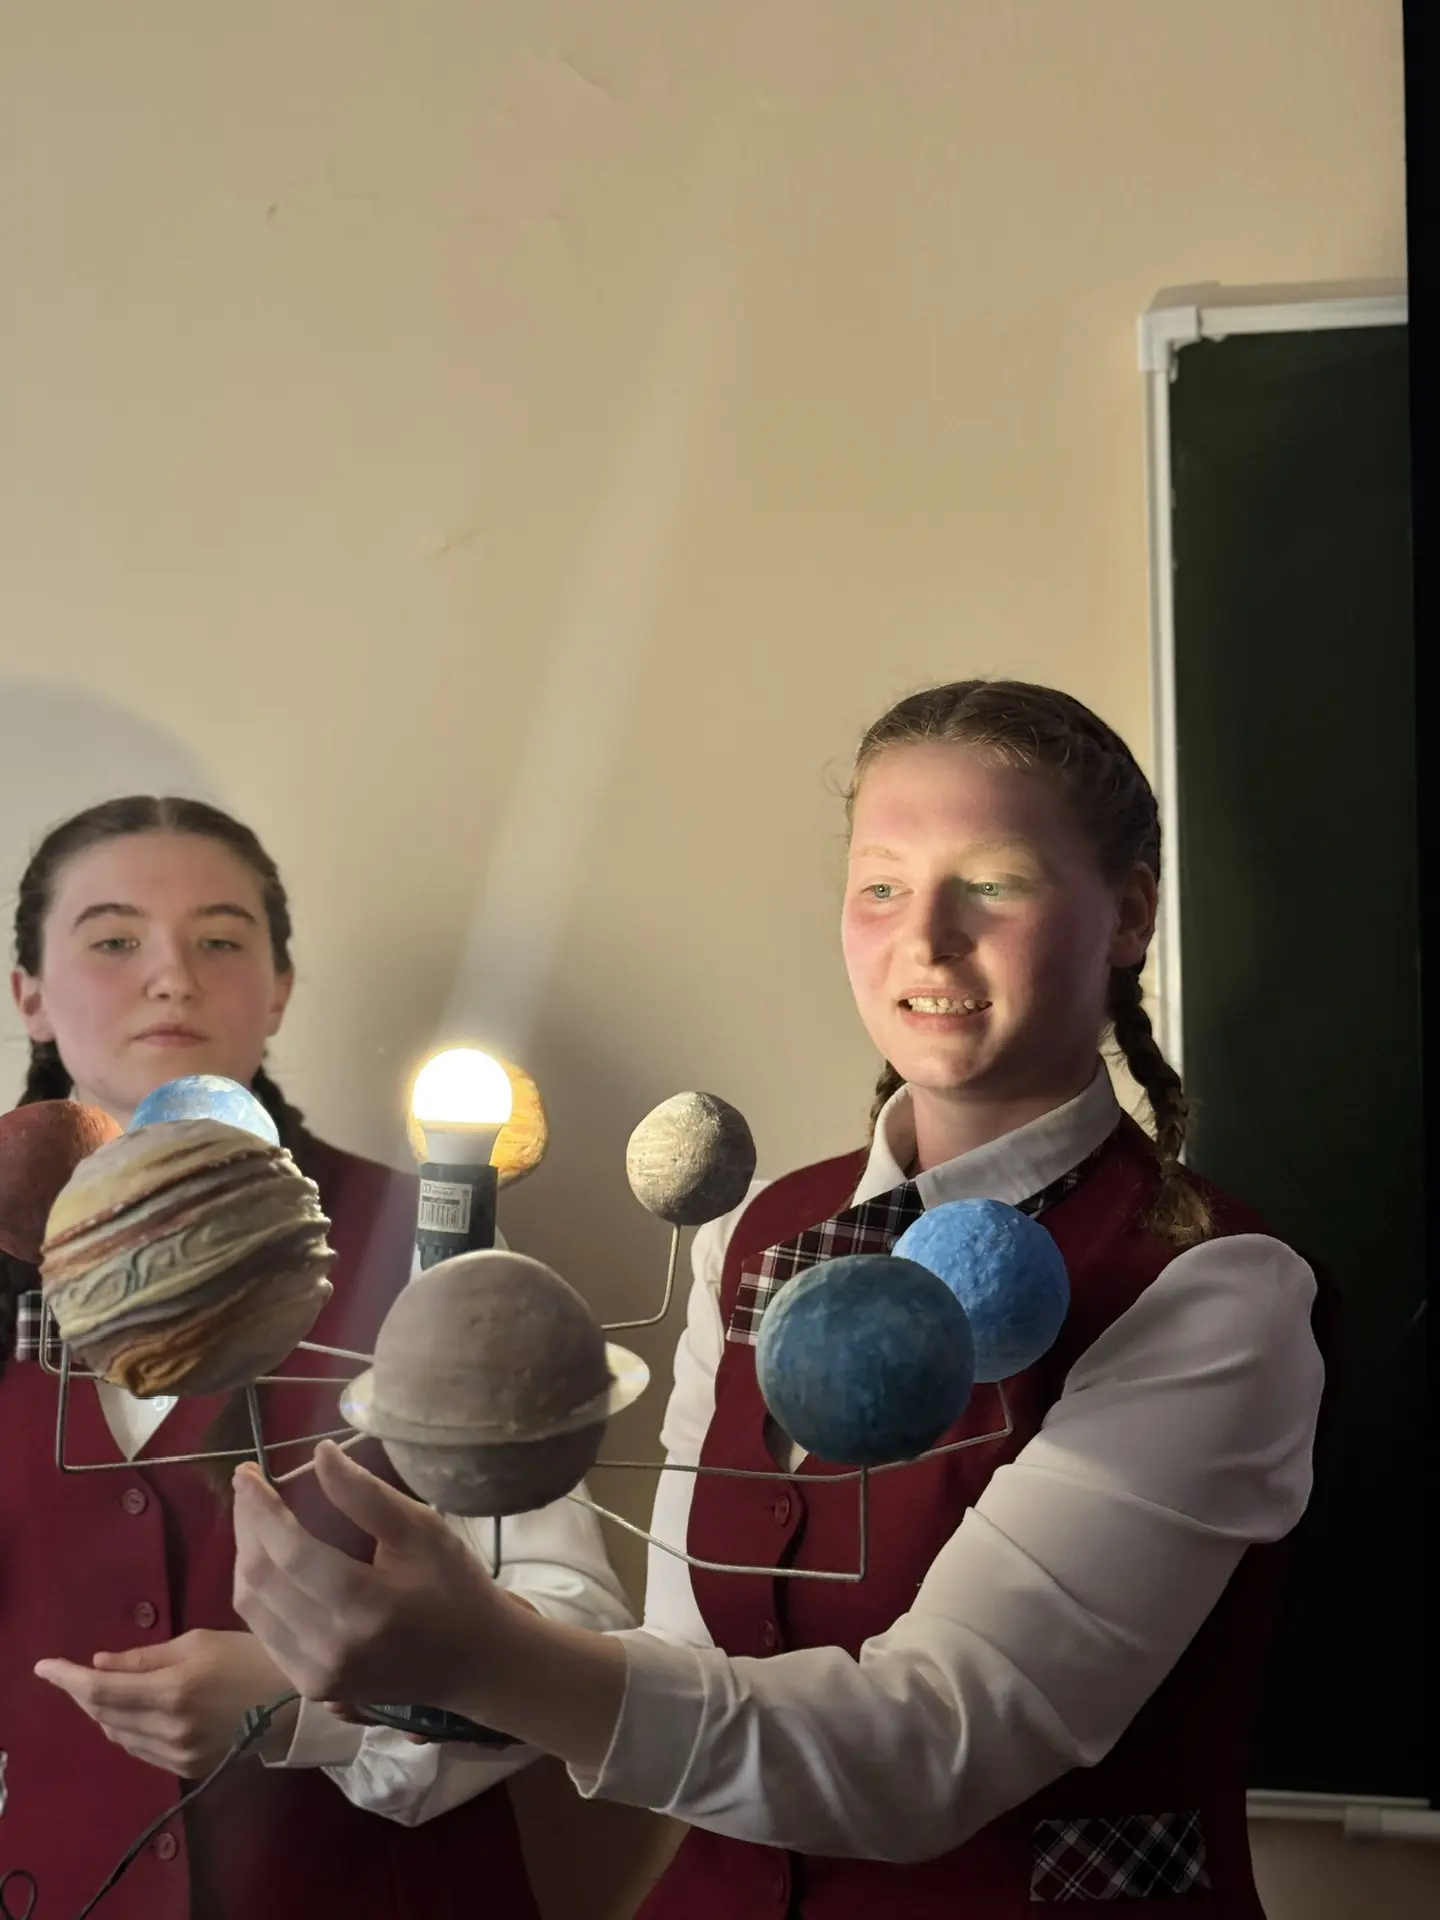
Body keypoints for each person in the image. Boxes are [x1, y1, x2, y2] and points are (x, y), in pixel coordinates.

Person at [230, 682, 1334, 1919]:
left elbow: (936, 1747)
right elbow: (681, 1667)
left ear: (1128, 913)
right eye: (882, 885)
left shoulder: (1215, 1290)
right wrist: (390, 1674)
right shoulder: (756, 1235)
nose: (927, 939)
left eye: (994, 882)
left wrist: (493, 1660)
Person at [0, 795, 633, 1920]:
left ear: (280, 986)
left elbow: (575, 1623)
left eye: (219, 940)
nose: (171, 978)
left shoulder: (431, 1248)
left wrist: (311, 1704)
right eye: (114, 939)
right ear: (30, 996)